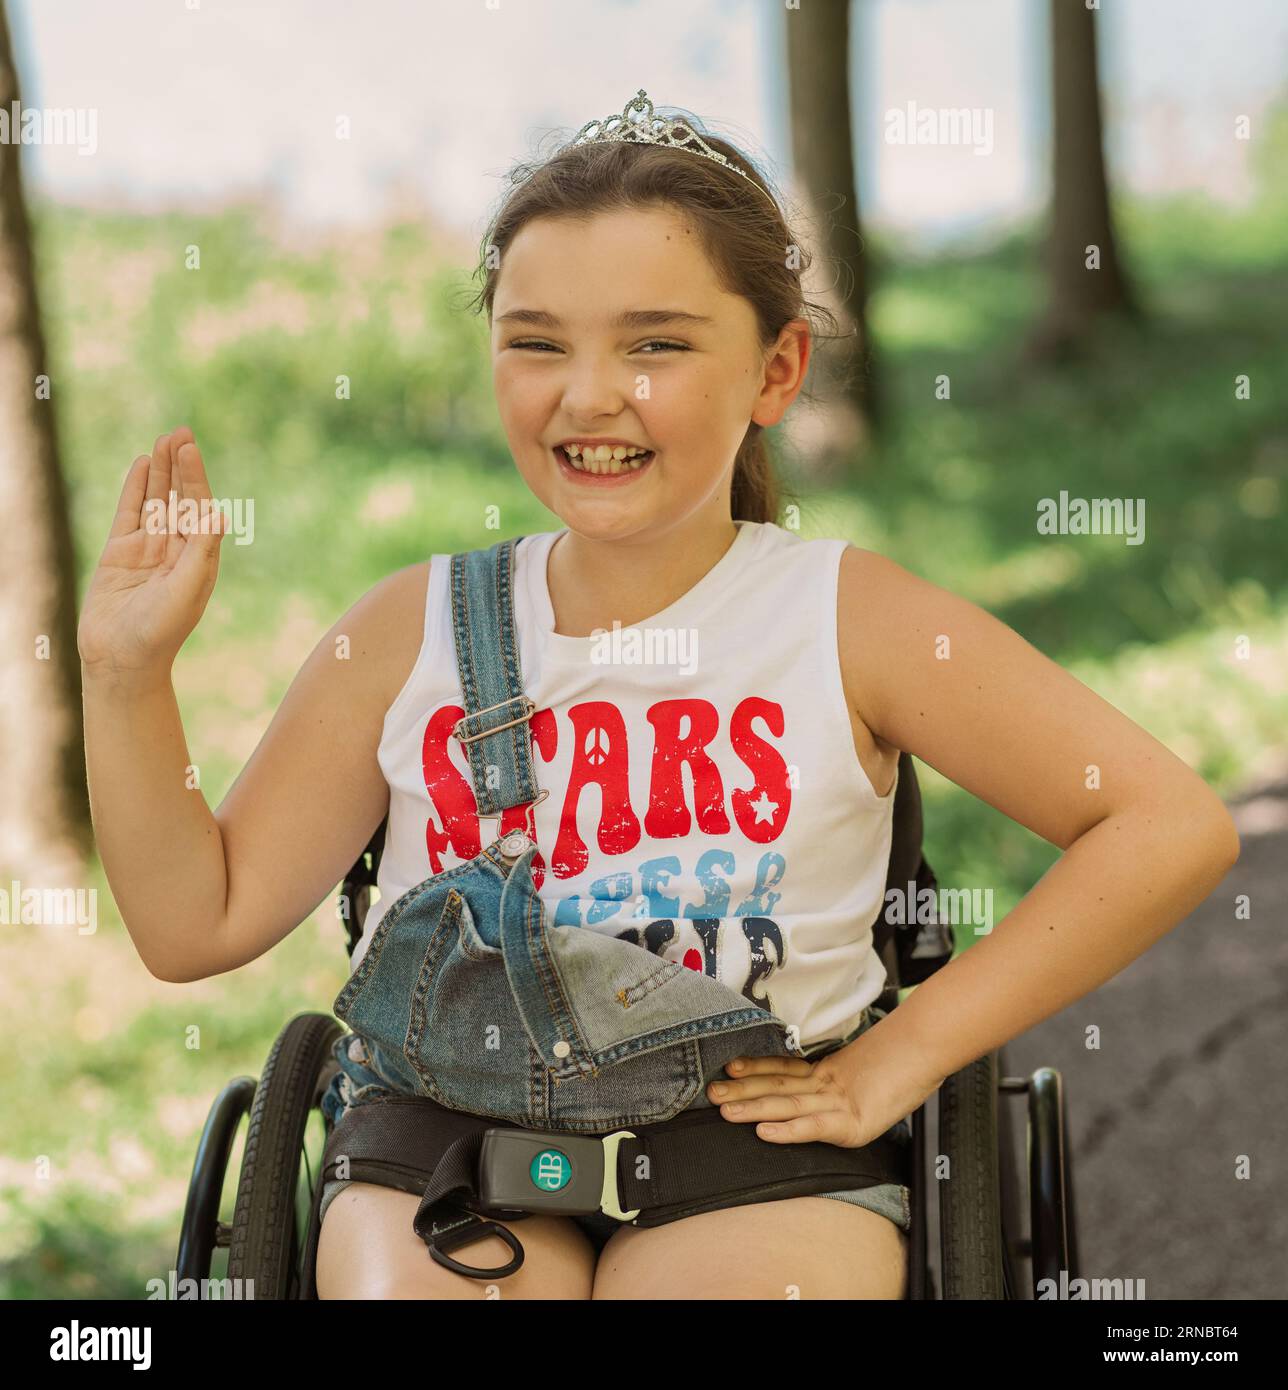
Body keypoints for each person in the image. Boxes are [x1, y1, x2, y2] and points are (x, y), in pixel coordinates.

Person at [78, 93, 1240, 1301]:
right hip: (448, 1133)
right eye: (537, 342)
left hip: (754, 1145)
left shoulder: (850, 620)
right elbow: (191, 922)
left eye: (656, 345)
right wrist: (124, 675)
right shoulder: (404, 632)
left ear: (776, 368)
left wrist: (902, 1058)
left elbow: (1167, 822)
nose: (588, 395)